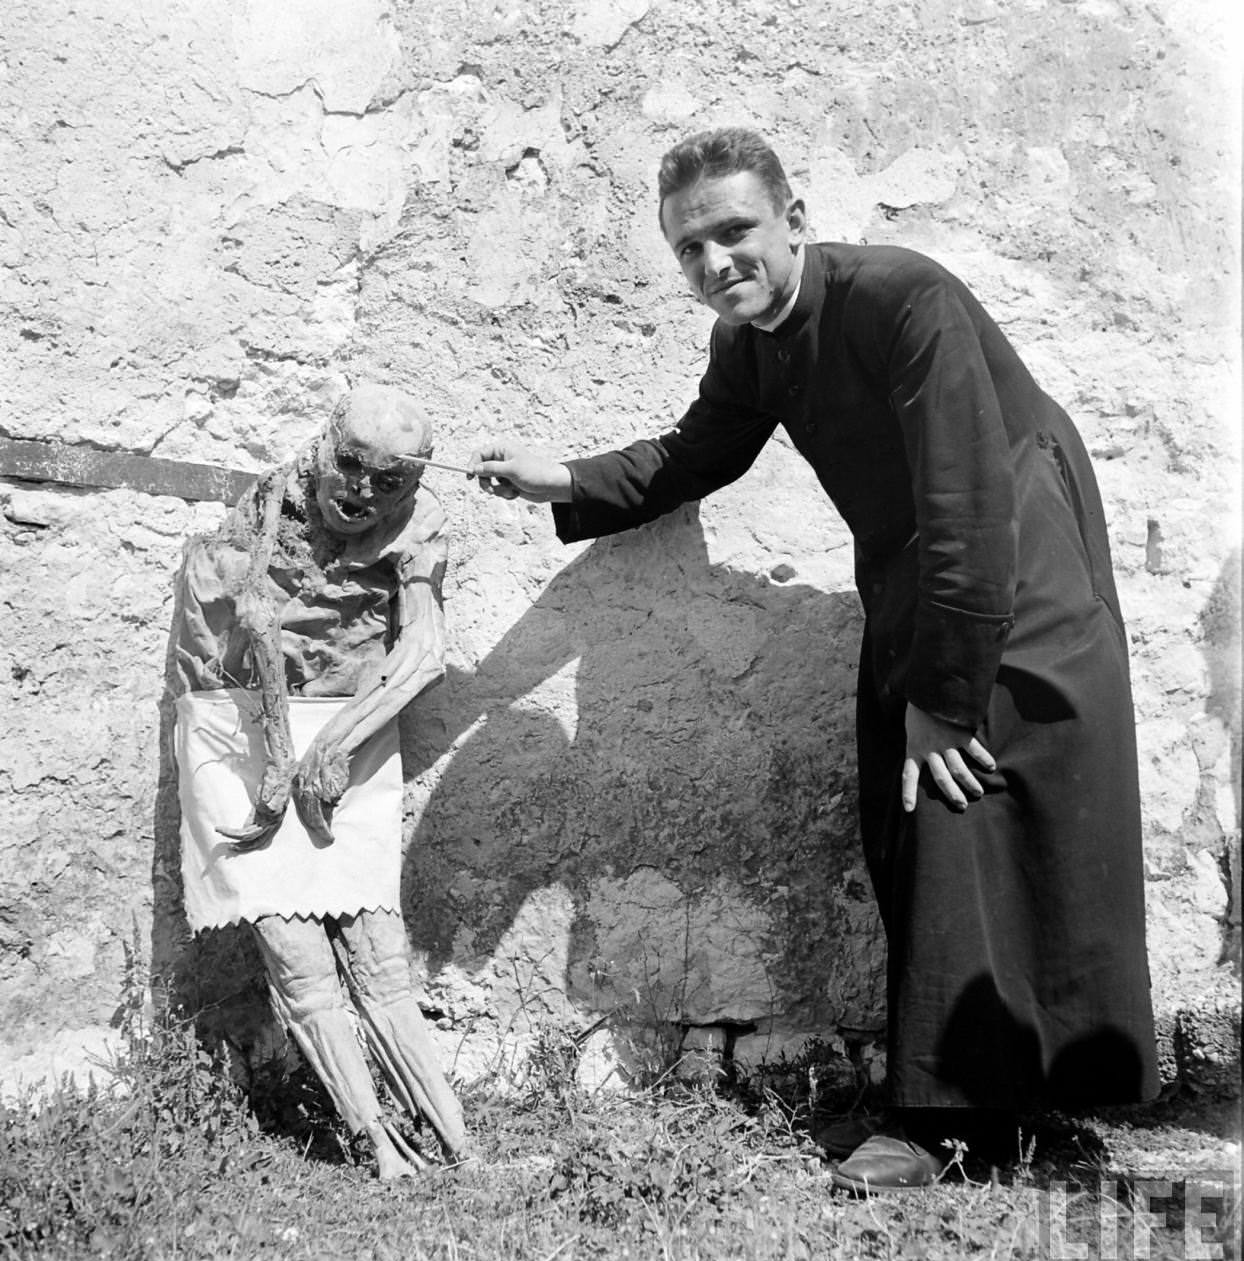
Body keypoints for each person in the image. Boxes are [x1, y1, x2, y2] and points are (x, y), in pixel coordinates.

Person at [469, 127, 1159, 1191]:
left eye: (733, 232)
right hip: (913, 571)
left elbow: (968, 503)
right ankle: (986, 1101)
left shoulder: (902, 298)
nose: (713, 265)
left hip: (1011, 566)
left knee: (958, 813)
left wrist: (945, 696)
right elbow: (693, 454)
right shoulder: (748, 348)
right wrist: (556, 477)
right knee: (906, 827)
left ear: (794, 221)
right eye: (688, 250)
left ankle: (947, 1126)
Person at [173, 382, 468, 1179]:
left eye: (390, 482)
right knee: (298, 959)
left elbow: (424, 653)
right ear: (324, 447)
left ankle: (458, 1143)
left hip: (352, 728)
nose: (363, 494)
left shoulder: (415, 521)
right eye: (352, 468)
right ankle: (377, 1145)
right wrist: (275, 762)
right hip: (235, 732)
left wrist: (336, 744)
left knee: (379, 951)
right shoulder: (250, 535)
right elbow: (239, 648)